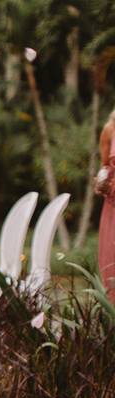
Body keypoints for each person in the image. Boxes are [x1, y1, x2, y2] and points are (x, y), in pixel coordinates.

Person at [98, 104, 115, 302]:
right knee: (112, 268)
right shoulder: (110, 128)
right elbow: (104, 167)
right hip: (113, 207)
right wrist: (101, 183)